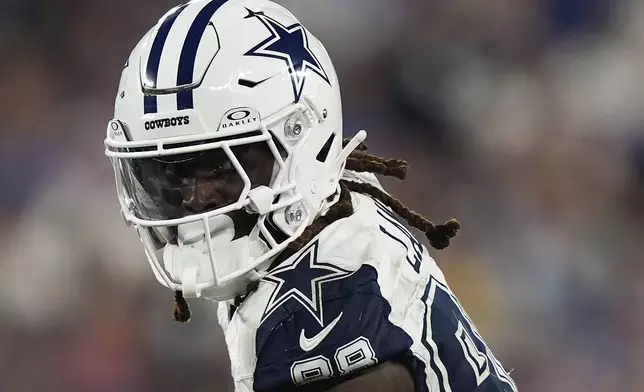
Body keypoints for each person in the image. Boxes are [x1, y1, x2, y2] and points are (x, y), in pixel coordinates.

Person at [104, 0, 519, 391]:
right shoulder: (335, 222)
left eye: (217, 166)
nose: (193, 198)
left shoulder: (324, 303)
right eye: (170, 173)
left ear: (301, 142)